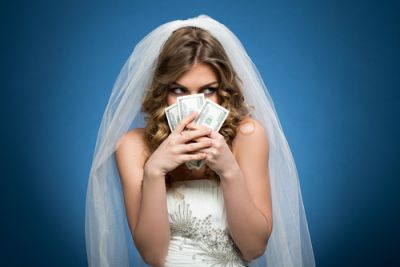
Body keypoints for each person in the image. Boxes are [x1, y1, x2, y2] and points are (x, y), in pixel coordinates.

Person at [85, 14, 315, 267]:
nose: (194, 107)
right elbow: (152, 256)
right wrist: (154, 171)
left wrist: (229, 171)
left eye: (208, 90)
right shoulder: (133, 146)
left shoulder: (248, 135)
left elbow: (254, 249)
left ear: (223, 89)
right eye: (179, 90)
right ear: (162, 92)